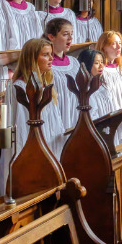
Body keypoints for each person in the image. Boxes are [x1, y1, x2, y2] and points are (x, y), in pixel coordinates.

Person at [5, 38, 66, 193]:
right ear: (32, 58)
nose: (51, 58)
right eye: (45, 55)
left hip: (49, 148)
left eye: (51, 54)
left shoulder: (44, 84)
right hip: (30, 153)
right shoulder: (19, 87)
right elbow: (20, 131)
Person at [44, 18, 77, 155]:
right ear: (51, 37)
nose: (70, 38)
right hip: (56, 117)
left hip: (74, 116)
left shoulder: (74, 63)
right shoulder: (46, 65)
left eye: (71, 34)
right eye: (65, 34)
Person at [76, 46, 120, 118]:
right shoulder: (84, 90)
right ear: (87, 64)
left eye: (102, 62)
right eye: (96, 63)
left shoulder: (105, 86)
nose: (101, 66)